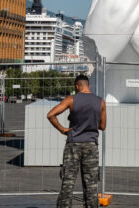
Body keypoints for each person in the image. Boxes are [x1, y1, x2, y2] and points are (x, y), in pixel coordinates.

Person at [46, 74, 106, 208]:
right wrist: (90, 124)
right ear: (88, 86)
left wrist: (62, 129)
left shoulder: (71, 99)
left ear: (77, 86)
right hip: (91, 145)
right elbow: (102, 126)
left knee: (68, 183)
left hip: (73, 144)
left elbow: (50, 115)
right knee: (91, 184)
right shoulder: (100, 101)